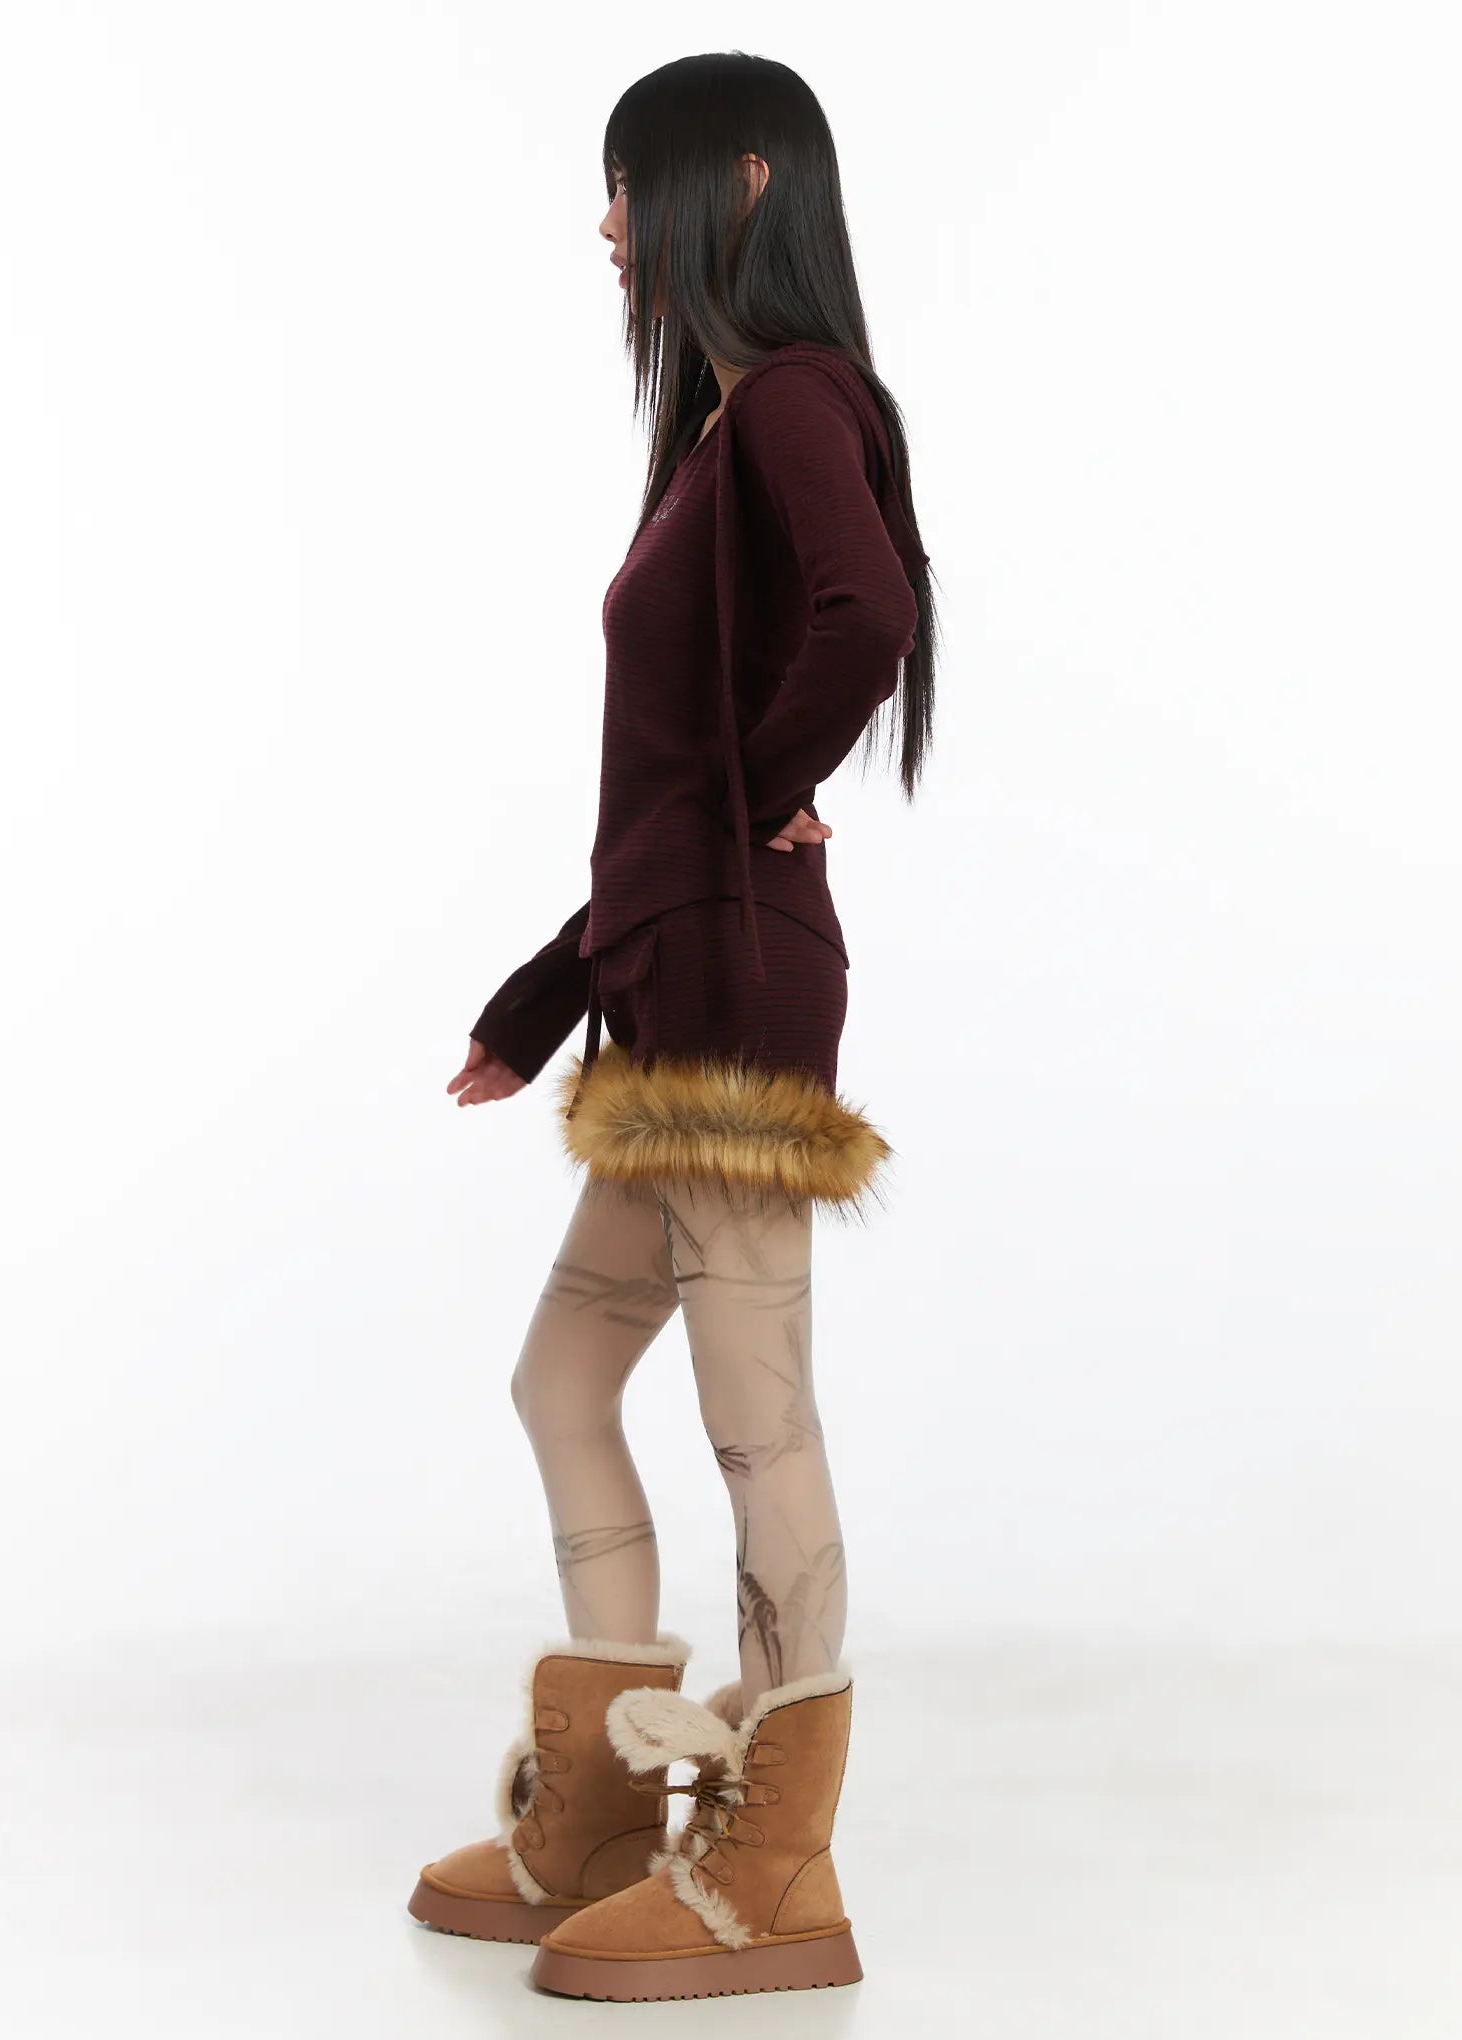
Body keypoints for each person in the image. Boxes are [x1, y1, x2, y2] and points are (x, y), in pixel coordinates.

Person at [408, 50, 938, 2003]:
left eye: (634, 183)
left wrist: (767, 782)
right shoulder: (724, 434)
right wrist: (547, 996)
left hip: (731, 1005)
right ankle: (608, 1819)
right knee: (566, 1380)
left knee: (751, 1415)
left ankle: (775, 1869)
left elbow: (867, 617)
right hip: (666, 994)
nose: (611, 224)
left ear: (745, 179)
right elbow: (671, 803)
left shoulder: (793, 399)